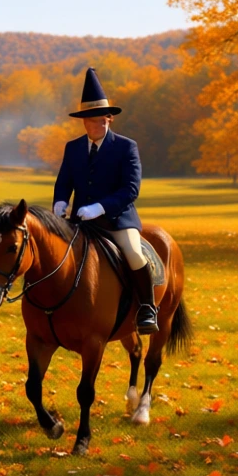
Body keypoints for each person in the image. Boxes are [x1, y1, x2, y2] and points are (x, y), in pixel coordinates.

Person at [53, 68, 156, 334]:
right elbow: (64, 181)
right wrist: (60, 203)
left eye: (100, 120)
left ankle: (147, 307)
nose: (95, 125)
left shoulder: (126, 147)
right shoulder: (73, 147)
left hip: (118, 219)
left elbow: (131, 189)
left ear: (109, 119)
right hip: (80, 222)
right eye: (89, 121)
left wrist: (100, 207)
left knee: (133, 253)